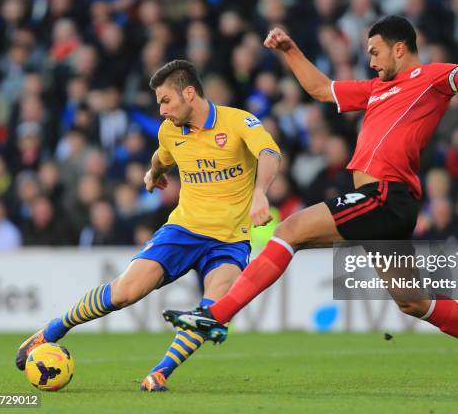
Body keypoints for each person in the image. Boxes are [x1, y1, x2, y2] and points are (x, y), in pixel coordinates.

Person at [164, 16, 458, 390]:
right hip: (384, 206)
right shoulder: (377, 89)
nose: (372, 62)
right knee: (412, 301)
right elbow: (321, 90)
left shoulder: (432, 77)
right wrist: (290, 50)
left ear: (400, 48)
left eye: (375, 52)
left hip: (383, 194)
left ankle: (215, 315)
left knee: (290, 230)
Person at [15, 60, 281, 391]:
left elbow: (270, 154)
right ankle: (52, 330)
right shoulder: (170, 131)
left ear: (189, 93)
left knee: (213, 308)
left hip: (229, 241)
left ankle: (159, 374)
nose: (161, 110)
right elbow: (162, 155)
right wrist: (154, 174)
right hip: (183, 231)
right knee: (126, 292)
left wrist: (260, 194)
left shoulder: (238, 121)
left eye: (166, 101)